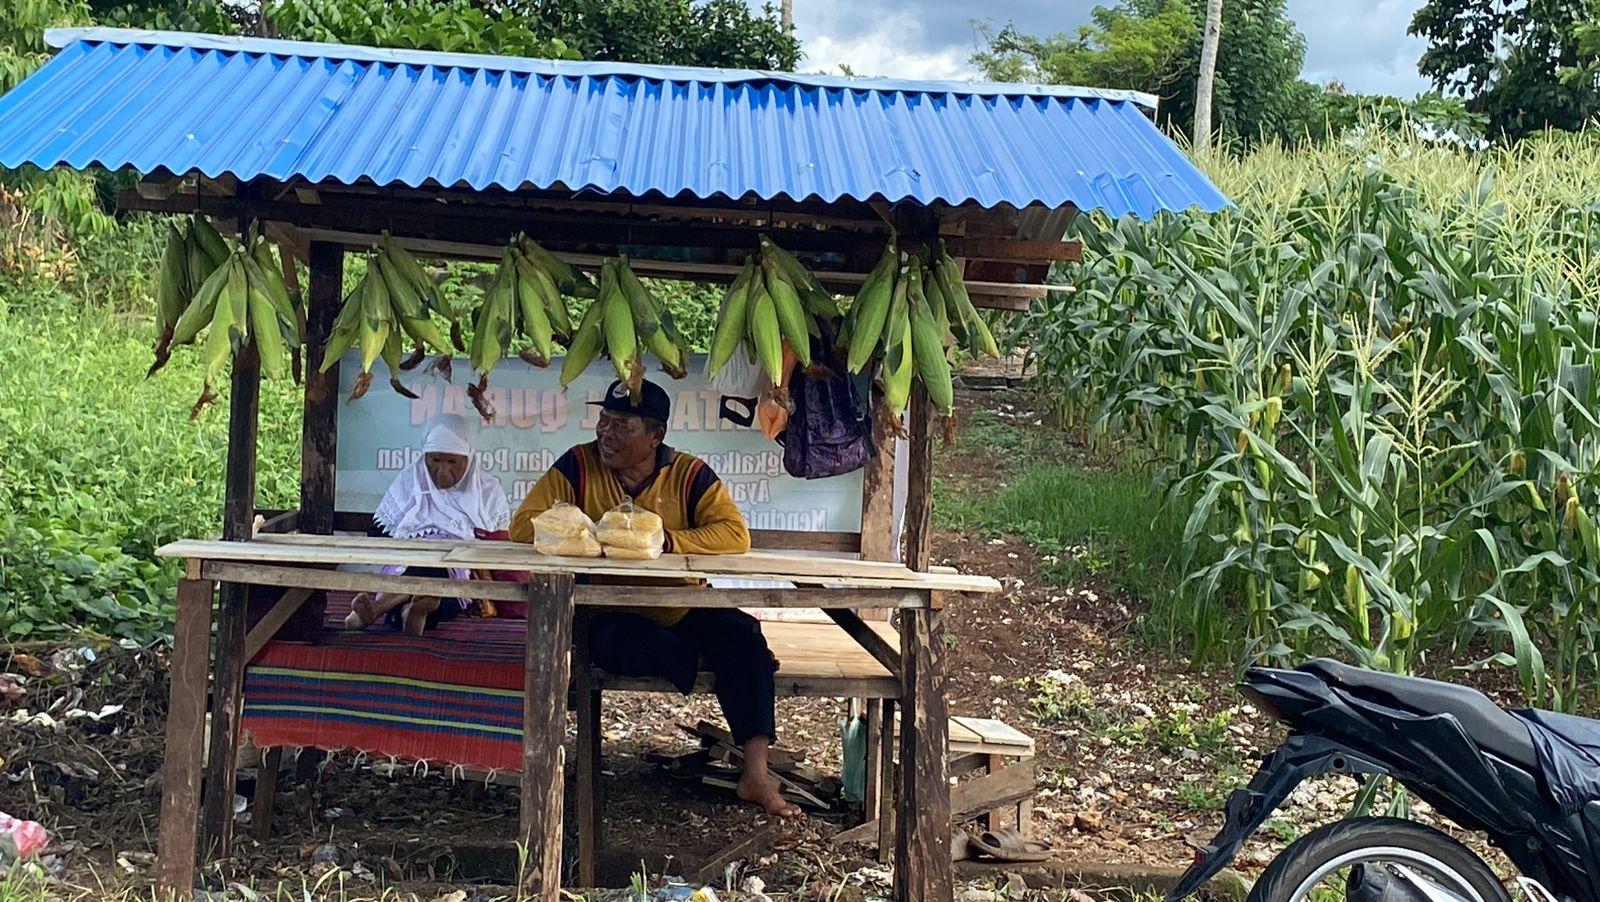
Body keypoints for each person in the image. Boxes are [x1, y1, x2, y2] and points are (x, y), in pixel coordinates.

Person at [510, 379, 801, 818]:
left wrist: (667, 541)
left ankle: (755, 773)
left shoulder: (689, 473)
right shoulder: (578, 464)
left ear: (656, 436)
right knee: (639, 644)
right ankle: (700, 662)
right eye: (603, 422)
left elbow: (734, 535)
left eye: (621, 426)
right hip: (606, 613)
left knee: (744, 636)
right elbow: (524, 524)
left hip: (679, 606)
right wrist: (586, 535)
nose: (605, 434)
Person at [346, 413, 512, 636]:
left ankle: (375, 610)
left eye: (452, 461)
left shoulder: (488, 492)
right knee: (423, 574)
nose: (443, 471)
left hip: (459, 576)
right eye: (435, 460)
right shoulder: (410, 481)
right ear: (425, 456)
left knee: (439, 574)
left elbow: (498, 546)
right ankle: (413, 612)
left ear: (468, 458)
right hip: (406, 566)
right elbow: (380, 533)